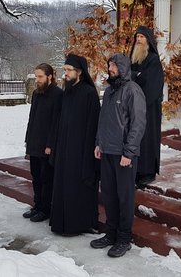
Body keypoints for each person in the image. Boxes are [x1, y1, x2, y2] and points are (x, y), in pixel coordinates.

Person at [91, 54, 146, 258]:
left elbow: (138, 124)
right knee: (108, 195)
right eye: (109, 65)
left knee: (124, 197)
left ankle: (124, 238)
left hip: (124, 155)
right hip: (107, 151)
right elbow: (103, 120)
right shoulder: (109, 91)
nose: (110, 68)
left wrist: (129, 152)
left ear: (123, 67)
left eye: (114, 65)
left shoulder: (133, 90)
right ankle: (111, 233)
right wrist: (99, 143)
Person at [49, 53, 101, 235]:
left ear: (79, 72)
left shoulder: (89, 93)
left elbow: (93, 125)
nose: (66, 74)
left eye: (69, 70)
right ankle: (61, 223)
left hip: (81, 151)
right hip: (64, 149)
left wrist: (87, 152)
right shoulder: (67, 92)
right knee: (63, 186)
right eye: (65, 70)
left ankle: (78, 224)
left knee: (77, 188)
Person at [23, 63, 63, 222]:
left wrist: (50, 145)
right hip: (34, 142)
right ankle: (37, 205)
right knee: (36, 176)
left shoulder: (58, 95)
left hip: (47, 145)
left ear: (50, 76)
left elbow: (56, 122)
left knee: (47, 178)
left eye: (40, 76)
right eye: (36, 76)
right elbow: (32, 118)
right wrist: (28, 138)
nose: (37, 80)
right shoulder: (36, 93)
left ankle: (46, 208)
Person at [129, 26, 164, 187]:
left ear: (148, 40)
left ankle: (147, 172)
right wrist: (137, 77)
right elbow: (129, 77)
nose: (139, 39)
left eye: (142, 37)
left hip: (148, 108)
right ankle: (136, 170)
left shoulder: (153, 60)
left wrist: (136, 78)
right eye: (137, 37)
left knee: (147, 139)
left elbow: (152, 85)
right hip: (133, 106)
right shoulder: (133, 58)